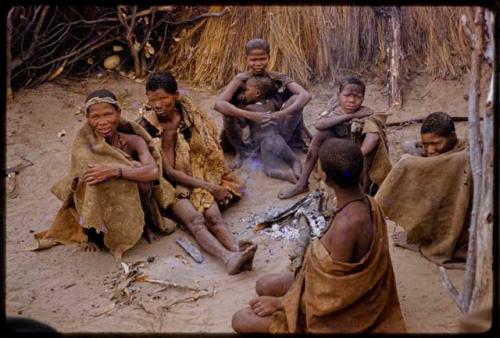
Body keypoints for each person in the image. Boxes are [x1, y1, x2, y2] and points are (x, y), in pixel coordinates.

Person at [231, 138, 406, 333]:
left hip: (343, 308)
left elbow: (334, 296)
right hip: (323, 285)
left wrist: (282, 303)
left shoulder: (346, 227)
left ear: (325, 177)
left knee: (240, 319)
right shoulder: (369, 203)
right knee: (263, 285)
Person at [33, 89, 177, 261]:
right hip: (99, 197)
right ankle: (94, 234)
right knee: (91, 179)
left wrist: (115, 171)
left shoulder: (133, 141)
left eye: (108, 114)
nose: (103, 122)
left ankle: (144, 223)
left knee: (139, 172)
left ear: (119, 113)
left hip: (129, 198)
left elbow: (153, 172)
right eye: (95, 117)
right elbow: (80, 184)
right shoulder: (84, 146)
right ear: (88, 119)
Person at [138, 72, 257, 275]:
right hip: (168, 185)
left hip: (196, 174)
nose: (157, 105)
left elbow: (206, 150)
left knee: (214, 217)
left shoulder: (190, 115)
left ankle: (238, 252)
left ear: (176, 96)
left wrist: (209, 182)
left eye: (163, 98)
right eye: (152, 100)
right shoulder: (148, 126)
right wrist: (212, 188)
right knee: (196, 221)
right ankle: (228, 258)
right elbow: (168, 172)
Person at [375, 112, 471, 268]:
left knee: (406, 165)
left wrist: (410, 160)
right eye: (426, 145)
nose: (431, 150)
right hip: (438, 203)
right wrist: (420, 149)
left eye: (436, 143)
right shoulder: (445, 149)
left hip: (456, 213)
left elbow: (411, 163)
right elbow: (409, 144)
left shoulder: (461, 156)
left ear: (453, 136)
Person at [279, 76, 391, 199]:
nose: (351, 100)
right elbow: (319, 125)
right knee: (320, 135)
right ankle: (302, 183)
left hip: (356, 161)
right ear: (339, 96)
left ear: (363, 98)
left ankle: (361, 192)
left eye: (357, 97)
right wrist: (351, 116)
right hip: (336, 159)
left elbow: (373, 137)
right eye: (347, 95)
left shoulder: (367, 114)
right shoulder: (336, 111)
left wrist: (355, 156)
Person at [214, 38, 312, 169]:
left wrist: (280, 114)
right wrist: (249, 115)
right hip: (248, 133)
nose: (258, 63)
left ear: (269, 57)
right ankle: (242, 152)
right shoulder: (241, 79)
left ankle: (282, 145)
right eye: (253, 60)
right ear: (246, 59)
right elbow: (218, 104)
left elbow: (305, 95)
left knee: (296, 100)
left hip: (276, 131)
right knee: (227, 112)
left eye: (262, 59)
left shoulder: (278, 77)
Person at [236, 75, 302, 183]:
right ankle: (297, 172)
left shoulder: (249, 108)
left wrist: (247, 145)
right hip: (278, 139)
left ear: (257, 93)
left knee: (269, 170)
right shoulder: (272, 104)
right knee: (294, 160)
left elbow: (245, 130)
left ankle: (287, 174)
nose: (244, 93)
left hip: (265, 143)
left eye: (247, 90)